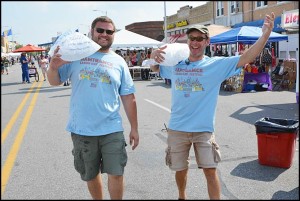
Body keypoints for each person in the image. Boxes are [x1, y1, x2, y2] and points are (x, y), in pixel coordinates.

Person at [150, 12, 276, 200]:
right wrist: (153, 56)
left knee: (210, 171)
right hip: (177, 129)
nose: (195, 42)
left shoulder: (215, 66)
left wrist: (265, 35)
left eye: (200, 38)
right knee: (180, 169)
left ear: (207, 42)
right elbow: (156, 68)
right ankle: (182, 196)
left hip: (203, 130)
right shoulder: (177, 65)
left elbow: (246, 57)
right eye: (192, 38)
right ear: (188, 41)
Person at [47, 16, 139, 200]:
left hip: (112, 128)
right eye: (100, 30)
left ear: (113, 35)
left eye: (109, 31)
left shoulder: (119, 62)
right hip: (82, 129)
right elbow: (54, 81)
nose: (104, 34)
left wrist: (134, 128)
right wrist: (53, 68)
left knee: (117, 172)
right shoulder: (75, 55)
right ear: (92, 31)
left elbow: (128, 97)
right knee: (90, 174)